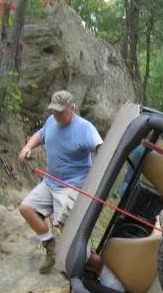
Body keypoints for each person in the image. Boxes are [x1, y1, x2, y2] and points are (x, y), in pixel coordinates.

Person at [18, 90, 103, 273]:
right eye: (54, 110)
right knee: (26, 208)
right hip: (50, 182)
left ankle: (86, 263)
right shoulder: (52, 121)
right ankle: (50, 246)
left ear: (72, 108)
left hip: (73, 185)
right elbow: (41, 134)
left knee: (65, 225)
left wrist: (99, 175)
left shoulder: (85, 128)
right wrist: (28, 147)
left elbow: (101, 148)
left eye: (61, 111)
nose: (56, 115)